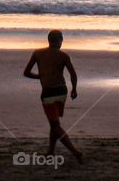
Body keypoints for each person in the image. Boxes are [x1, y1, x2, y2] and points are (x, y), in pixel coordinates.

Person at [23, 30, 82, 162]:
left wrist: (39, 76)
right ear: (60, 40)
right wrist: (74, 89)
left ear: (49, 40)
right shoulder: (64, 56)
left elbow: (26, 72)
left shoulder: (37, 53)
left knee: (55, 125)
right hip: (62, 91)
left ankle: (75, 152)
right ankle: (50, 152)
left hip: (48, 93)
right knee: (54, 123)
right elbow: (73, 74)